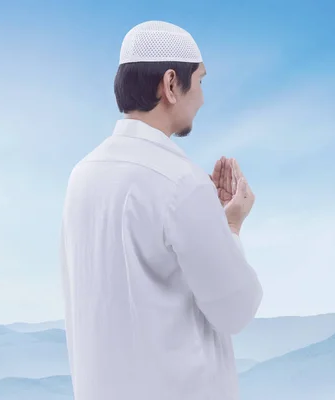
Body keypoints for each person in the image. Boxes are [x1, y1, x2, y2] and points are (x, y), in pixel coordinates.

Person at [60, 20, 263, 400]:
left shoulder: (81, 175)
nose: (202, 97)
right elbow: (236, 307)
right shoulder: (181, 182)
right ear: (171, 84)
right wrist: (231, 225)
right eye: (200, 81)